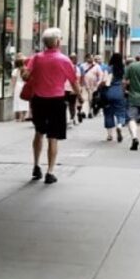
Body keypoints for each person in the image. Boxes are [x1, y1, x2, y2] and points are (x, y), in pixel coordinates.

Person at [24, 27, 80, 185]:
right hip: (56, 101)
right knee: (53, 137)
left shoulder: (36, 58)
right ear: (57, 42)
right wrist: (80, 96)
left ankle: (36, 165)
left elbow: (26, 75)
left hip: (39, 101)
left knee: (39, 132)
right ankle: (50, 171)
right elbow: (74, 81)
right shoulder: (64, 60)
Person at [101, 52, 127, 142]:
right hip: (119, 92)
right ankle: (119, 126)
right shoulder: (123, 69)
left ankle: (109, 135)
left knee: (108, 113)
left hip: (108, 93)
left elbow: (104, 81)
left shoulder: (108, 68)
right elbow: (125, 82)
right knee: (121, 112)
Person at [12, 53, 28, 121]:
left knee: (18, 100)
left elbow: (13, 81)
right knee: (24, 101)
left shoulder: (15, 71)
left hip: (18, 86)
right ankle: (24, 116)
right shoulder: (26, 69)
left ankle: (20, 116)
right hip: (24, 85)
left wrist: (13, 89)